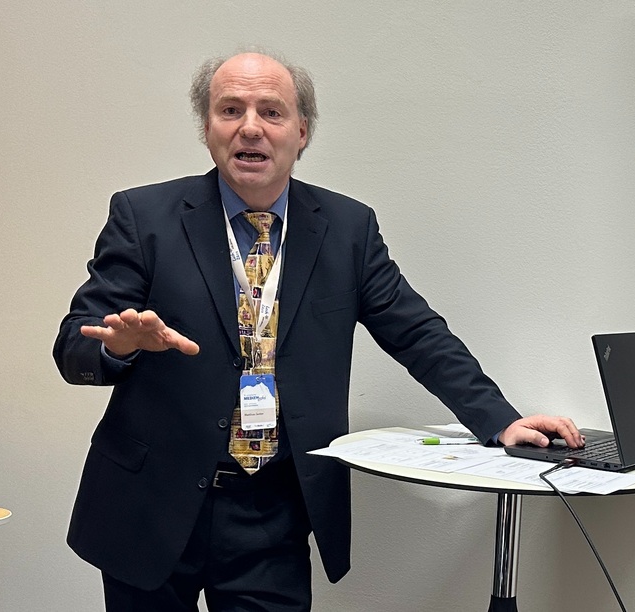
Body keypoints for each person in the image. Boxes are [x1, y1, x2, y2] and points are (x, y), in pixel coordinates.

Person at [53, 50, 583, 611]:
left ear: (302, 131)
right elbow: (73, 345)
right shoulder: (144, 216)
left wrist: (499, 419)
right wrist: (117, 348)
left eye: (271, 112)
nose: (250, 127)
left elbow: (418, 334)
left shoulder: (347, 229)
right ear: (207, 129)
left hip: (271, 512)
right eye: (230, 110)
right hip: (150, 505)